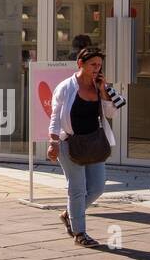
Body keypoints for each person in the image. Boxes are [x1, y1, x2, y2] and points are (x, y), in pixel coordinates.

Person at [47, 42, 117, 248]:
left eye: (99, 65)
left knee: (97, 187)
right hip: (69, 142)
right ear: (80, 64)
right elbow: (55, 117)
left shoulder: (101, 86)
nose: (97, 68)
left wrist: (104, 91)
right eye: (93, 64)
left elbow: (111, 113)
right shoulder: (65, 87)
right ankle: (80, 233)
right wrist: (53, 142)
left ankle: (69, 214)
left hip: (93, 143)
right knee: (76, 190)